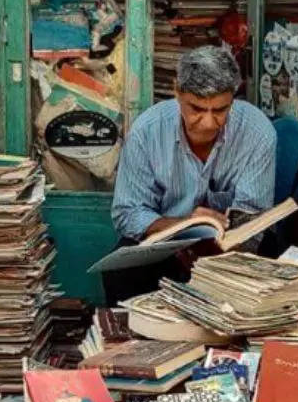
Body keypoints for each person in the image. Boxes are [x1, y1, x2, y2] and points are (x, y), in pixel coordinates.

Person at [105, 45, 277, 303]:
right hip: (166, 245)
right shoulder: (146, 132)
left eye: (220, 110)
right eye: (196, 109)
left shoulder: (257, 133)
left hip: (231, 249)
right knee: (121, 270)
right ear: (177, 92)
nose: (208, 123)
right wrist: (186, 227)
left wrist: (218, 250)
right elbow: (129, 213)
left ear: (233, 97)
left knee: (273, 261)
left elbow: (253, 218)